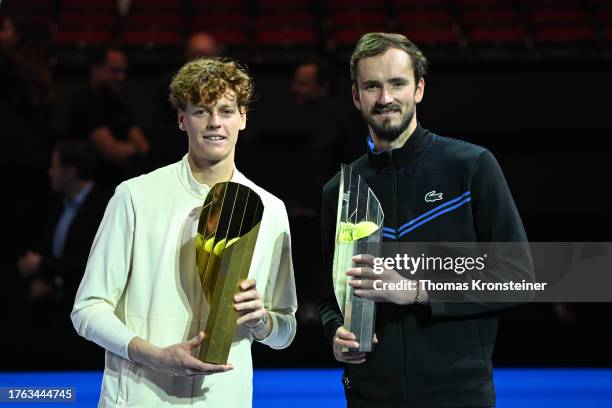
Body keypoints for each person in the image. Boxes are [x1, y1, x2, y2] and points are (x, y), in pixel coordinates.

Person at [319, 33, 534, 407]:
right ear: (356, 97)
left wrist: (418, 291)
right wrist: (335, 332)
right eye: (372, 86)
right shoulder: (340, 190)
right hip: (370, 395)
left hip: (458, 394)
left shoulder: (470, 167)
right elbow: (329, 298)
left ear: (418, 89)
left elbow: (518, 274)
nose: (385, 99)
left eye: (397, 84)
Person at [71, 58, 297, 407]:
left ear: (243, 118)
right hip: (140, 396)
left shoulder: (270, 209)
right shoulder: (135, 196)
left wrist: (263, 320)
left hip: (225, 399)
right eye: (201, 111)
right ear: (182, 119)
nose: (215, 123)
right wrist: (154, 356)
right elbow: (87, 309)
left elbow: (285, 331)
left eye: (226, 110)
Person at [17, 140, 109, 366]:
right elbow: (49, 248)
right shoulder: (57, 205)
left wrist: (41, 265)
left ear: (71, 170)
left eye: (55, 166)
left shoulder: (103, 205)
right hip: (55, 311)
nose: (50, 171)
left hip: (88, 319)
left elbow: (92, 263)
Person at [69, 46, 150, 187]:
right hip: (94, 188)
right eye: (115, 71)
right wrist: (133, 149)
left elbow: (144, 146)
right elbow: (111, 152)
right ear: (95, 68)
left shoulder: (117, 105)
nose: (121, 77)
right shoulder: (85, 103)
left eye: (123, 71)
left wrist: (129, 149)